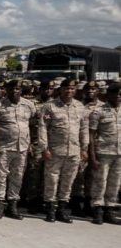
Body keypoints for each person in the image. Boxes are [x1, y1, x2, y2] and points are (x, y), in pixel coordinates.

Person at [37, 77, 90, 223]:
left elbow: (84, 129)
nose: (69, 91)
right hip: (55, 150)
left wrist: (84, 148)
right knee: (52, 180)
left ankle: (62, 209)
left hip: (74, 150)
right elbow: (43, 127)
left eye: (72, 88)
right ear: (61, 89)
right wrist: (44, 147)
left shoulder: (80, 107)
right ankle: (50, 209)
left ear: (75, 90)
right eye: (66, 88)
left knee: (68, 181)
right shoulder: (50, 107)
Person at [0, 79, 35, 220]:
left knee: (17, 176)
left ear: (21, 90)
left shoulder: (29, 105)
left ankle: (13, 206)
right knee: (0, 177)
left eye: (18, 88)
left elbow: (31, 124)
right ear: (7, 90)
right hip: (3, 147)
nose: (15, 91)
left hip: (22, 147)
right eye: (12, 88)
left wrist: (29, 142)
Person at [89, 83, 120, 224]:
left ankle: (110, 209)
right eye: (116, 94)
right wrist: (93, 156)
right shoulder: (98, 111)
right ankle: (97, 209)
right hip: (103, 152)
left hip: (119, 154)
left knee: (115, 183)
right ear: (109, 94)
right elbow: (91, 135)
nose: (118, 97)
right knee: (100, 182)